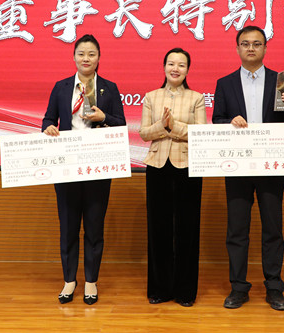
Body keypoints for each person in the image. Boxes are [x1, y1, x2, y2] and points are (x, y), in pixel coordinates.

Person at [212, 25, 284, 311]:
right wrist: (229, 122)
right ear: (237, 48)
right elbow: (217, 120)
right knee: (237, 230)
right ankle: (238, 287)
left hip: (270, 164)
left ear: (265, 48)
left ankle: (274, 287)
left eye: (257, 44)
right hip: (237, 164)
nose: (251, 48)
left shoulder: (279, 80)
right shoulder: (225, 83)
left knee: (273, 228)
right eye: (245, 43)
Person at [42, 34, 126, 305]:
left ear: (99, 58)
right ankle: (69, 280)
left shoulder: (109, 88)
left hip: (97, 167)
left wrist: (104, 117)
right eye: (81, 54)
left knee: (94, 227)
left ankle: (91, 280)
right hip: (66, 166)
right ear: (74, 57)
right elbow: (48, 119)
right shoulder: (62, 87)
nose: (86, 58)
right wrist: (49, 127)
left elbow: (121, 124)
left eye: (91, 54)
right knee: (68, 227)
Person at [139, 48, 207, 307]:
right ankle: (160, 288)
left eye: (181, 64)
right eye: (171, 63)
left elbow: (201, 132)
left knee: (187, 229)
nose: (175, 68)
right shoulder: (151, 97)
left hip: (188, 166)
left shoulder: (196, 98)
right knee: (159, 228)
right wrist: (162, 127)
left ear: (188, 70)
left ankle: (185, 291)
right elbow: (144, 133)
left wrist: (173, 127)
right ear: (164, 67)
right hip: (158, 166)